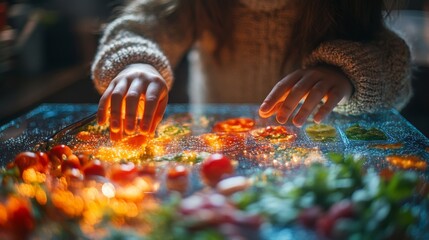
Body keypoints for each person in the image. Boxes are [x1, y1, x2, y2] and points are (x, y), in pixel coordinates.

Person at [91, 0, 412, 139]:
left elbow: (394, 66)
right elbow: (137, 29)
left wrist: (346, 74)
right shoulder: (196, 5)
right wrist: (136, 61)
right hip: (219, 160)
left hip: (324, 168)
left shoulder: (343, 8)